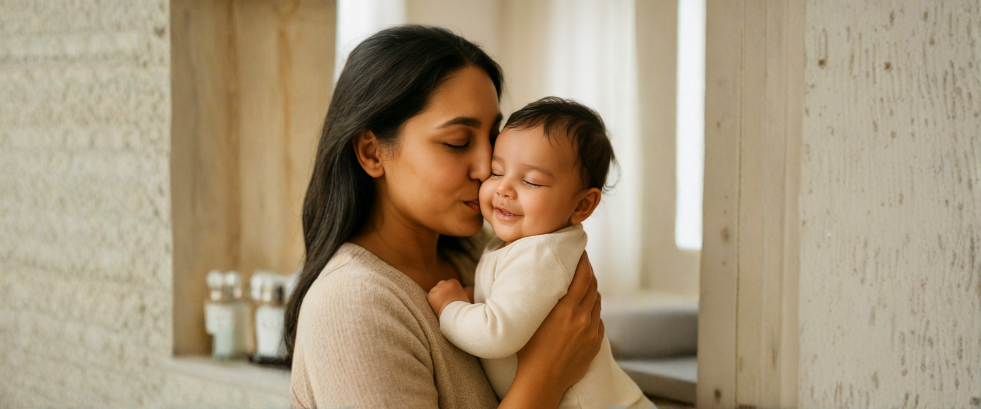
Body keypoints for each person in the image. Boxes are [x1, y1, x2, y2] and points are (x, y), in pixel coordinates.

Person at [284, 26, 607, 409]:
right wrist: (545, 377)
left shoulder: (480, 256)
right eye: (457, 143)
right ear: (372, 153)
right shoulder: (354, 304)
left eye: (493, 139)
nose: (487, 167)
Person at [427, 97, 654, 409]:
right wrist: (480, 298)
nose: (504, 189)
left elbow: (496, 334)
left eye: (531, 181)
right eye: (496, 172)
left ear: (581, 206)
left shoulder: (542, 255)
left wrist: (452, 308)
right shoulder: (520, 245)